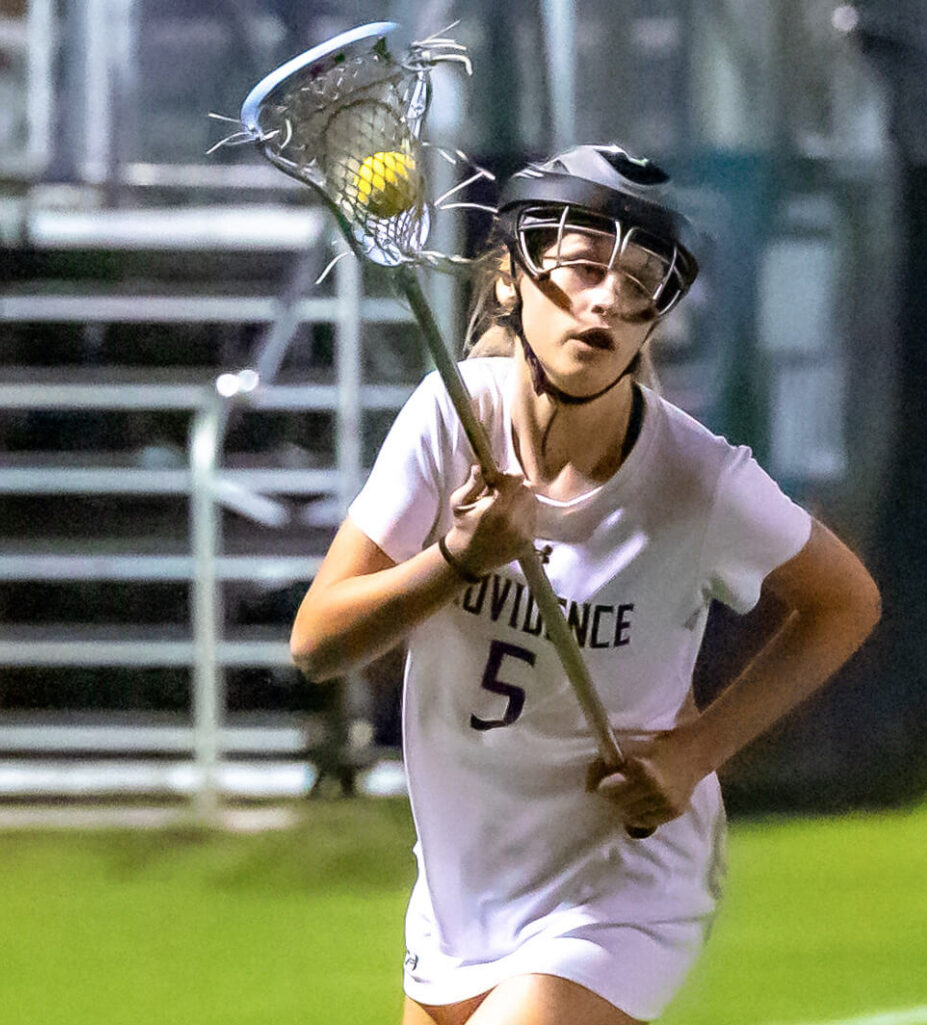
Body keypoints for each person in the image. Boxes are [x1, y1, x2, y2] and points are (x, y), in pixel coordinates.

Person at [290, 144, 881, 1025]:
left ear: (653, 321)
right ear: (509, 283)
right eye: (580, 265)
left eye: (639, 281)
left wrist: (695, 751)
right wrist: (456, 559)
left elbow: (846, 603)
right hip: (465, 881)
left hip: (619, 880)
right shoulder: (448, 421)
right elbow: (318, 642)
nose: (606, 297)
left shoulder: (699, 479)